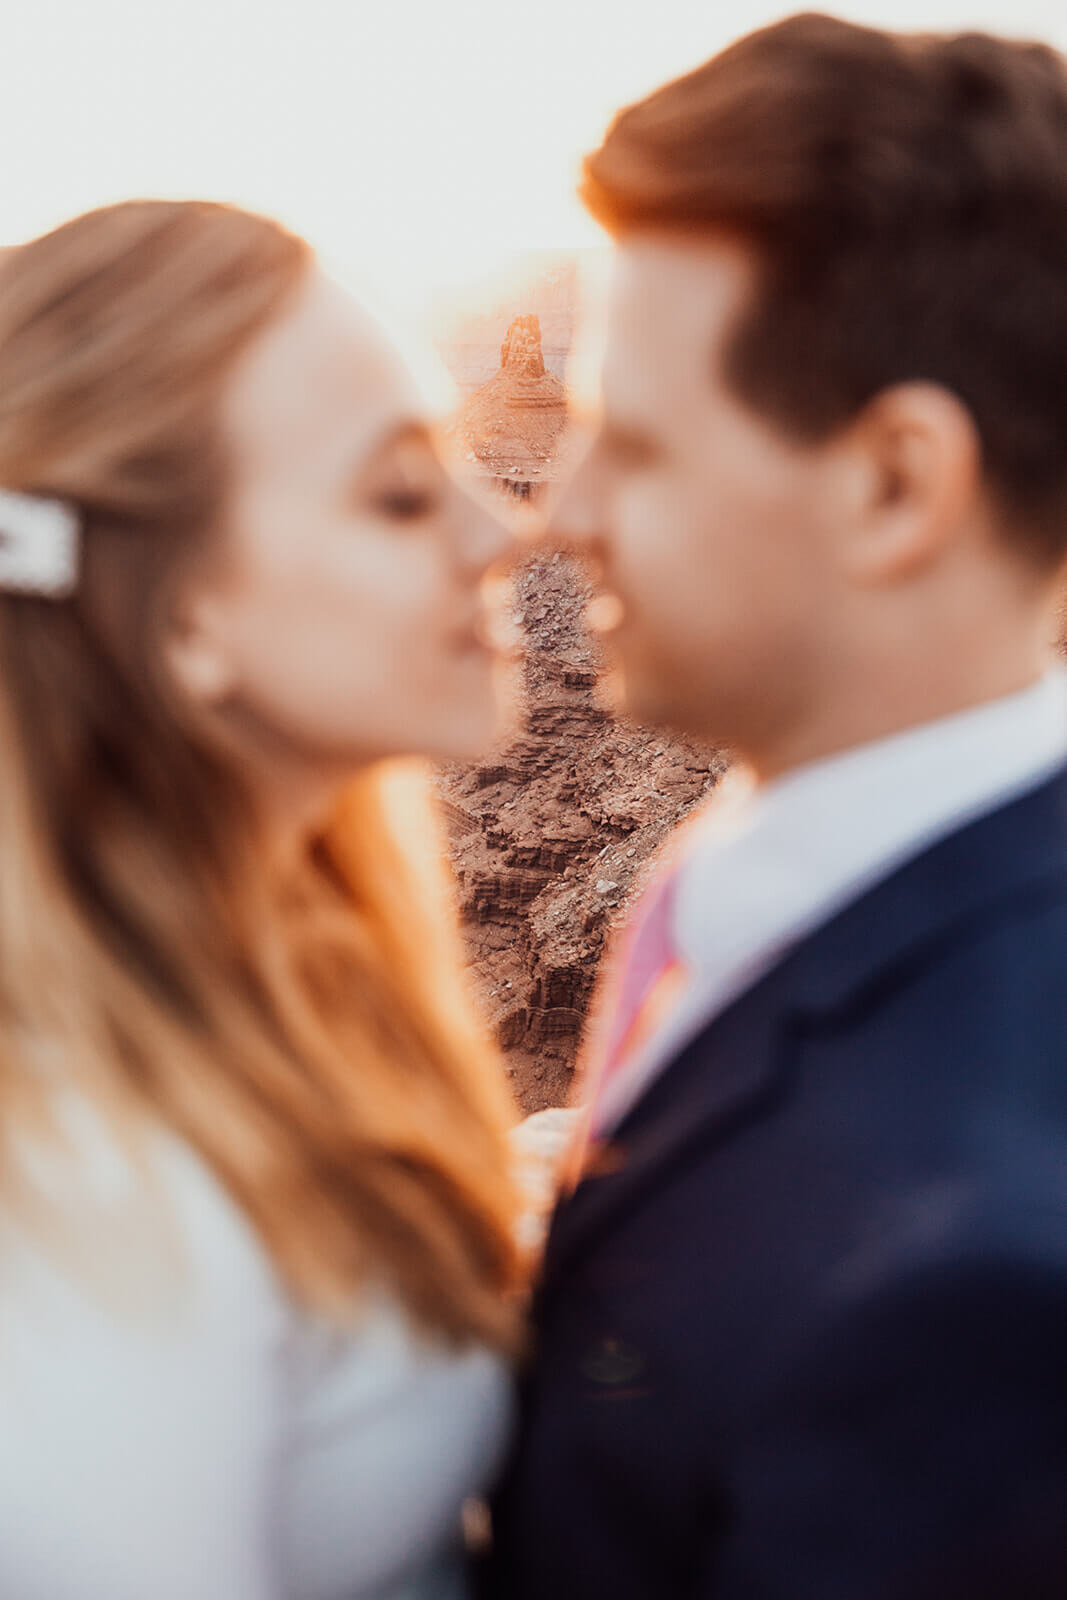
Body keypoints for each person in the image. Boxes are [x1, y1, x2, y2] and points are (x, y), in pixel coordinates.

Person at [485, 14, 1067, 1598]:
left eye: (639, 446)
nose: (561, 516)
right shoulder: (785, 881)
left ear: (895, 484)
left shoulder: (982, 1277)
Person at [0, 199, 525, 1600]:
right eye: (402, 495)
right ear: (185, 620)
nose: (501, 532)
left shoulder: (270, 980)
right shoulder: (84, 1190)